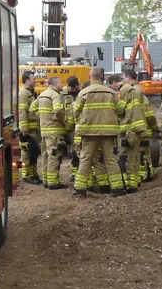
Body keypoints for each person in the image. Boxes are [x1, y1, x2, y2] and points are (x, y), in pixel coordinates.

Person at [70, 67, 125, 197]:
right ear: (101, 77)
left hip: (89, 132)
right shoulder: (111, 93)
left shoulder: (83, 93)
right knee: (110, 159)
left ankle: (80, 189)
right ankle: (117, 188)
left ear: (90, 77)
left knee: (85, 159)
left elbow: (75, 111)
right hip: (108, 132)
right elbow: (121, 110)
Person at [30, 76, 67, 189]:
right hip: (54, 131)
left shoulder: (43, 94)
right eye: (61, 83)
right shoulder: (55, 95)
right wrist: (61, 120)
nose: (62, 85)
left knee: (46, 155)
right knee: (54, 156)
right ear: (55, 83)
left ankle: (46, 180)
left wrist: (43, 117)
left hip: (44, 131)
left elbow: (32, 108)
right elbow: (58, 110)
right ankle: (53, 182)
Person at [117, 70, 147, 193]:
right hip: (138, 126)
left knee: (123, 157)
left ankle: (126, 184)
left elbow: (120, 109)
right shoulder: (138, 90)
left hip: (128, 128)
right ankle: (134, 184)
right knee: (134, 157)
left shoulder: (125, 89)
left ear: (127, 77)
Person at [18, 71, 42, 184]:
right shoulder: (23, 93)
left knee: (34, 152)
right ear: (27, 81)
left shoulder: (30, 93)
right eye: (33, 79)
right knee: (27, 153)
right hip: (28, 130)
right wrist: (24, 129)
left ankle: (33, 174)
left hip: (34, 128)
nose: (35, 80)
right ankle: (27, 175)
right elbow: (22, 111)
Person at [61, 76, 81, 183]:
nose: (73, 89)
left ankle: (80, 172)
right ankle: (73, 173)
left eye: (75, 87)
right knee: (73, 152)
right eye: (71, 87)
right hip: (70, 128)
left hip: (80, 126)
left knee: (81, 151)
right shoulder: (63, 95)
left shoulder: (82, 93)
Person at [138, 93, 160, 182]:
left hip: (132, 133)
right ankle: (148, 173)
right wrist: (155, 129)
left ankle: (138, 175)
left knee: (135, 154)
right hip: (145, 133)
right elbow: (150, 117)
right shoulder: (144, 101)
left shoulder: (126, 98)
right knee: (145, 153)